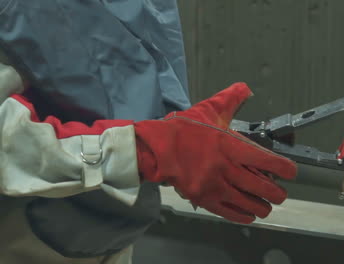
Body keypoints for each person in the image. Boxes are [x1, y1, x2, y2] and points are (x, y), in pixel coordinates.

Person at [0, 1, 297, 263]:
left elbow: (136, 73)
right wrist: (144, 150)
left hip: (107, 226)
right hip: (20, 230)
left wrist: (181, 134)